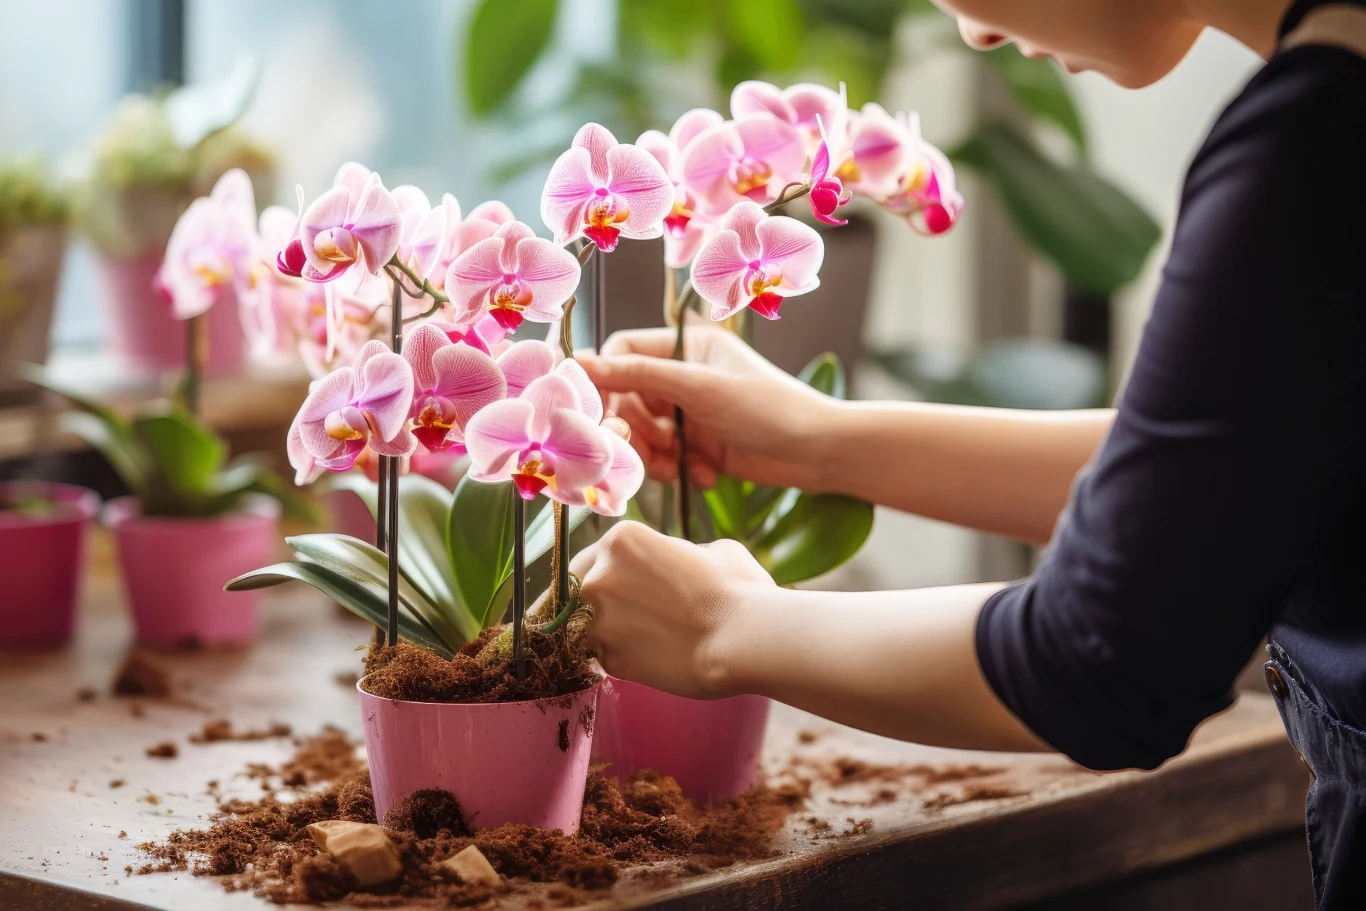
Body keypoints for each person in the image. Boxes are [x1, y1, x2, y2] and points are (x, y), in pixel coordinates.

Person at [569, 0, 1366, 907]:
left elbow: (1105, 659)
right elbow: (1244, 466)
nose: (974, 33)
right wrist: (813, 440)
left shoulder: (1318, 144)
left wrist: (725, 625)